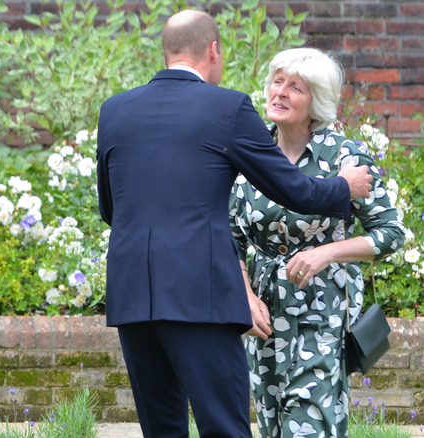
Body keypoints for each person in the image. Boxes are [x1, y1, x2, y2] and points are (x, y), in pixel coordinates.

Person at [95, 10, 374, 438]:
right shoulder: (227, 107)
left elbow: (111, 209)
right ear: (214, 50)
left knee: (162, 430)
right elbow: (295, 192)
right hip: (198, 296)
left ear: (166, 51)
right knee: (225, 428)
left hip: (132, 295)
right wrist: (344, 186)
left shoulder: (114, 110)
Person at [230, 47, 405, 438]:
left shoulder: (344, 156)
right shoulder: (251, 153)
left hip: (321, 316)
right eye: (277, 81)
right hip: (263, 316)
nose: (281, 92)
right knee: (274, 425)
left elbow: (391, 233)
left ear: (317, 101)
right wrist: (244, 296)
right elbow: (232, 238)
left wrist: (326, 253)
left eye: (296, 87)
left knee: (309, 426)